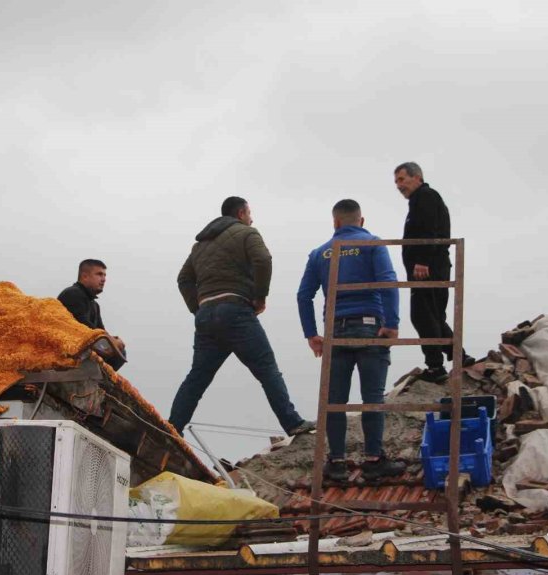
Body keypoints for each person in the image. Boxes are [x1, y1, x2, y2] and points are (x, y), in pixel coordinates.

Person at [169, 196, 315, 437]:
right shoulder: (247, 233)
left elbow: (183, 279)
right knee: (267, 368)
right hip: (236, 310)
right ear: (240, 214)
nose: (252, 218)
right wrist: (260, 297)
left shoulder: (200, 246)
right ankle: (292, 423)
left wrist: (199, 307)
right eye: (249, 213)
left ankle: (172, 429)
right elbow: (263, 259)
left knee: (197, 378)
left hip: (206, 317)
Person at [297, 199, 406, 481]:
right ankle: (373, 460)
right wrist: (392, 325)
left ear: (335, 223)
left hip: (335, 332)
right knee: (372, 397)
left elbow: (303, 296)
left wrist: (312, 335)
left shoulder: (320, 253)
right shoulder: (373, 244)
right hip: (370, 327)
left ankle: (336, 463)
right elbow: (389, 282)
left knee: (335, 400)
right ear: (361, 220)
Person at [394, 162, 474, 383]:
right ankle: (459, 355)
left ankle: (436, 367)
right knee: (434, 315)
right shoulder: (421, 199)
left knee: (422, 315)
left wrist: (421, 260)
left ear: (417, 177)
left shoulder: (425, 196)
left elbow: (430, 229)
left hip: (428, 267)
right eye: (396, 182)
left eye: (402, 179)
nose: (398, 186)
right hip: (434, 265)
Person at [58, 259, 127, 367]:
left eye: (104, 275)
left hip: (86, 351)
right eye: (99, 274)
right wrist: (111, 340)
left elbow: (100, 330)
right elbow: (82, 326)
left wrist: (114, 341)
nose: (103, 279)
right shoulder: (73, 293)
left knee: (120, 351)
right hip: (67, 352)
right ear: (85, 276)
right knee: (113, 347)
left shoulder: (94, 304)